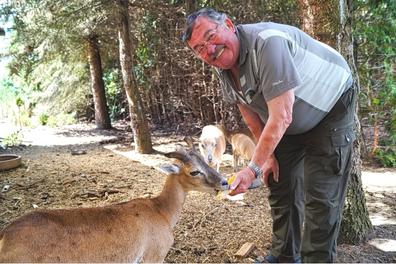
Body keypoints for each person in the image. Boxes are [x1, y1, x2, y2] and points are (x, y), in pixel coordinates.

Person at [182, 8, 357, 263]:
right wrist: (267, 158)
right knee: (277, 178)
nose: (208, 50)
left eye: (210, 36)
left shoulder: (267, 44)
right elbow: (250, 113)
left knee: (321, 197)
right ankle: (285, 255)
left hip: (331, 105)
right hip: (288, 117)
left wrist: (250, 168)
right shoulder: (223, 68)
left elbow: (282, 116)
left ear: (229, 24)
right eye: (199, 48)